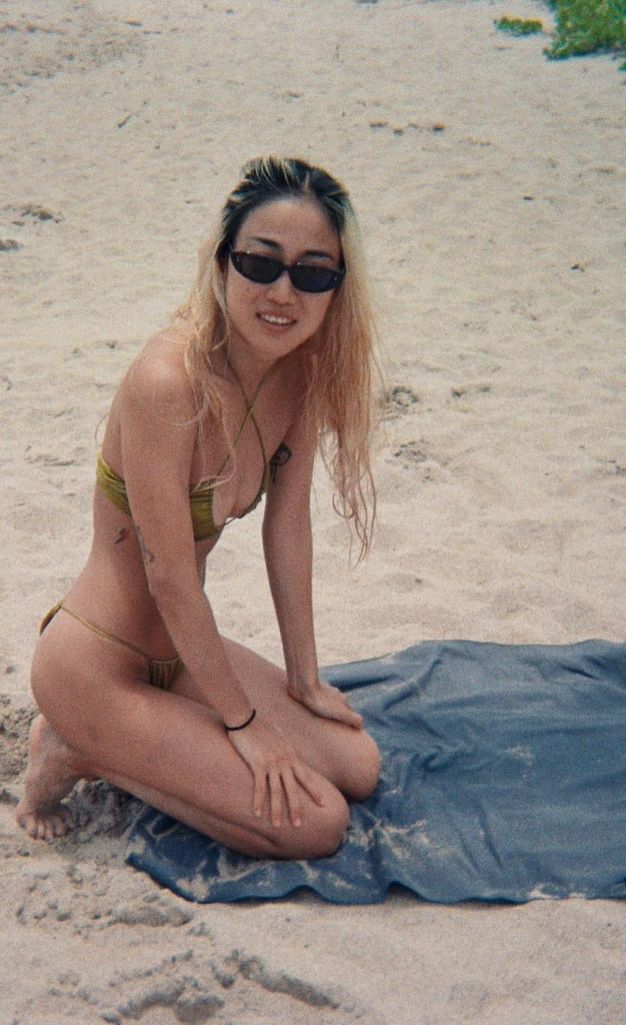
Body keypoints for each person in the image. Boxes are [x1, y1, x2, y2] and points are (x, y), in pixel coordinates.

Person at [15, 156, 382, 859]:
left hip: (183, 653)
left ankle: (115, 741)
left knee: (358, 766)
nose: (283, 292)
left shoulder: (300, 373)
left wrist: (304, 677)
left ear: (337, 286)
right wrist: (244, 725)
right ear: (222, 264)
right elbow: (170, 581)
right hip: (95, 663)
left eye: (313, 273)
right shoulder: (168, 382)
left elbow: (288, 525)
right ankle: (74, 745)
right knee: (318, 823)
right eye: (260, 264)